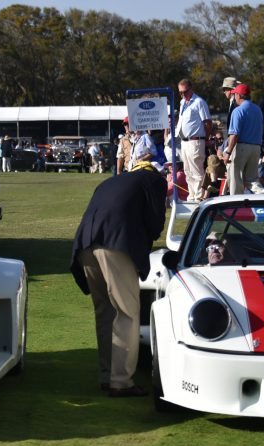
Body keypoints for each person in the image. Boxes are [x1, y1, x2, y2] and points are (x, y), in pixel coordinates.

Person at [70, 165, 167, 397]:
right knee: (127, 311)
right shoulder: (154, 181)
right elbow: (155, 225)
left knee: (105, 311)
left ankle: (107, 376)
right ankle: (121, 381)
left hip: (85, 244)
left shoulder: (110, 181)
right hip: (116, 243)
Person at [175, 78, 213, 202]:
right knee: (187, 170)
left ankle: (199, 197)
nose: (182, 94)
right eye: (180, 92)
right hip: (184, 141)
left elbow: (207, 122)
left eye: (185, 91)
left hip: (195, 140)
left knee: (196, 170)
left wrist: (206, 138)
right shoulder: (182, 103)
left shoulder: (199, 102)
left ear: (191, 89)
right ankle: (191, 195)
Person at [224, 83, 264, 195]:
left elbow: (234, 134)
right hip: (256, 148)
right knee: (253, 180)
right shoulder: (258, 109)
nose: (234, 97)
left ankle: (235, 206)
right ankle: (263, 197)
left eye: (235, 94)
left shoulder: (237, 111)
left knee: (235, 180)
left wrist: (228, 152)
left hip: (241, 147)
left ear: (239, 95)